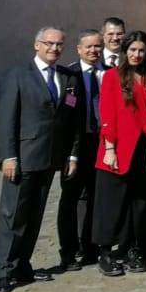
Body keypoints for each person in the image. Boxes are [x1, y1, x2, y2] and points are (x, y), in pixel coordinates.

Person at [0, 26, 80, 292]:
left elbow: (71, 120)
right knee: (14, 215)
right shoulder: (19, 75)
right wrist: (8, 156)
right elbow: (7, 119)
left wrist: (72, 154)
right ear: (37, 45)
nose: (54, 48)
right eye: (49, 43)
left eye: (59, 44)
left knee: (35, 215)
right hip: (23, 156)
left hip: (50, 157)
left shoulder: (67, 78)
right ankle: (5, 271)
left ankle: (23, 265)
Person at [91, 30, 146, 278]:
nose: (136, 54)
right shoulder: (113, 77)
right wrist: (110, 148)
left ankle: (133, 247)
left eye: (141, 50)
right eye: (132, 50)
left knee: (140, 202)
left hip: (145, 147)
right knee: (112, 203)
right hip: (119, 147)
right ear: (125, 51)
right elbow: (108, 114)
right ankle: (105, 252)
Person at [55, 29, 104, 272]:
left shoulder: (108, 73)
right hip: (76, 145)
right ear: (79, 49)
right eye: (89, 47)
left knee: (94, 196)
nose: (94, 51)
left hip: (101, 143)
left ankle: (90, 246)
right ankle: (69, 250)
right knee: (71, 198)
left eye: (98, 46)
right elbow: (64, 114)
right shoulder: (68, 74)